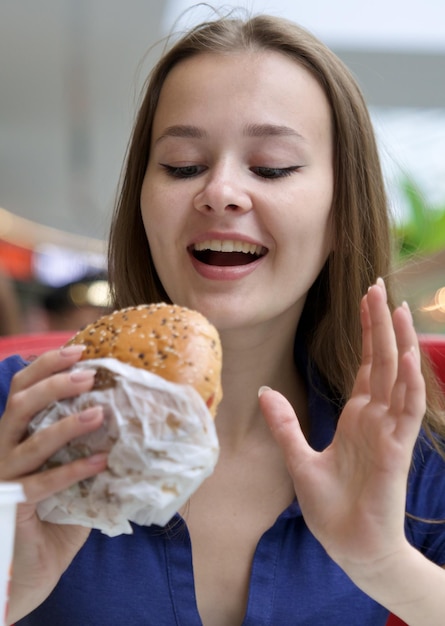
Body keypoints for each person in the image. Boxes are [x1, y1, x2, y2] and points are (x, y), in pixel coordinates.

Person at [1, 9, 445, 626]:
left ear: (342, 214)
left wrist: (384, 564)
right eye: (182, 166)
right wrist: (8, 591)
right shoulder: (19, 417)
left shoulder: (408, 448)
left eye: (271, 168)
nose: (220, 191)